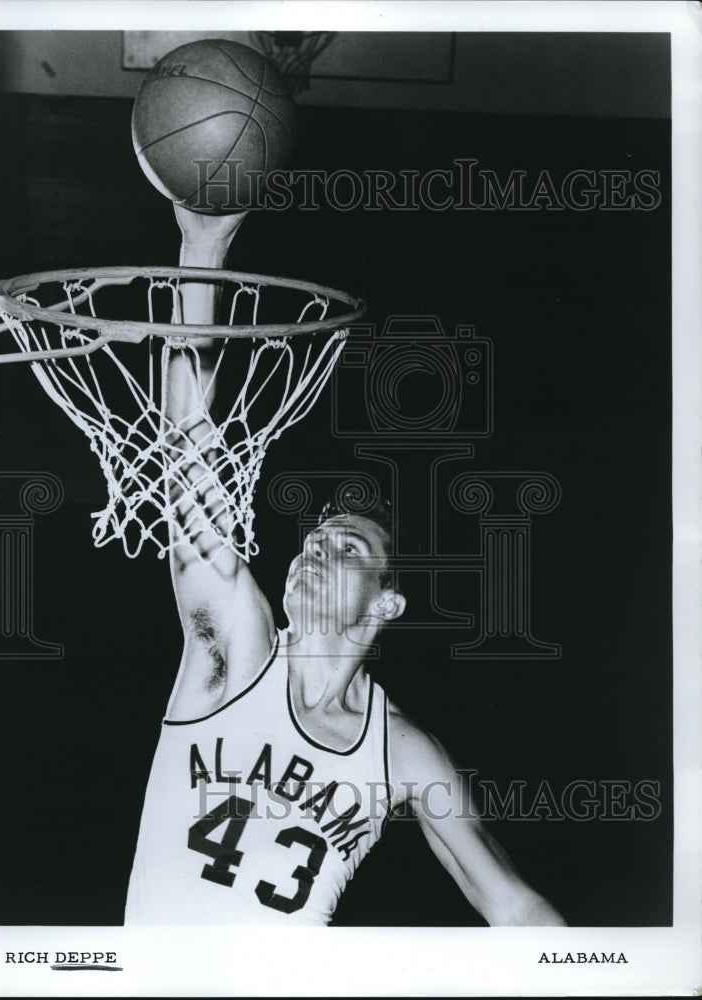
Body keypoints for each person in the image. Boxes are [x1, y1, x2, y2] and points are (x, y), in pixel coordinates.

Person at [124, 206, 565, 927]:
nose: (312, 551)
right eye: (312, 541)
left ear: (387, 603)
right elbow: (188, 456)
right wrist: (201, 247)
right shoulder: (234, 653)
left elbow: (511, 905)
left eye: (346, 548)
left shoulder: (401, 751)